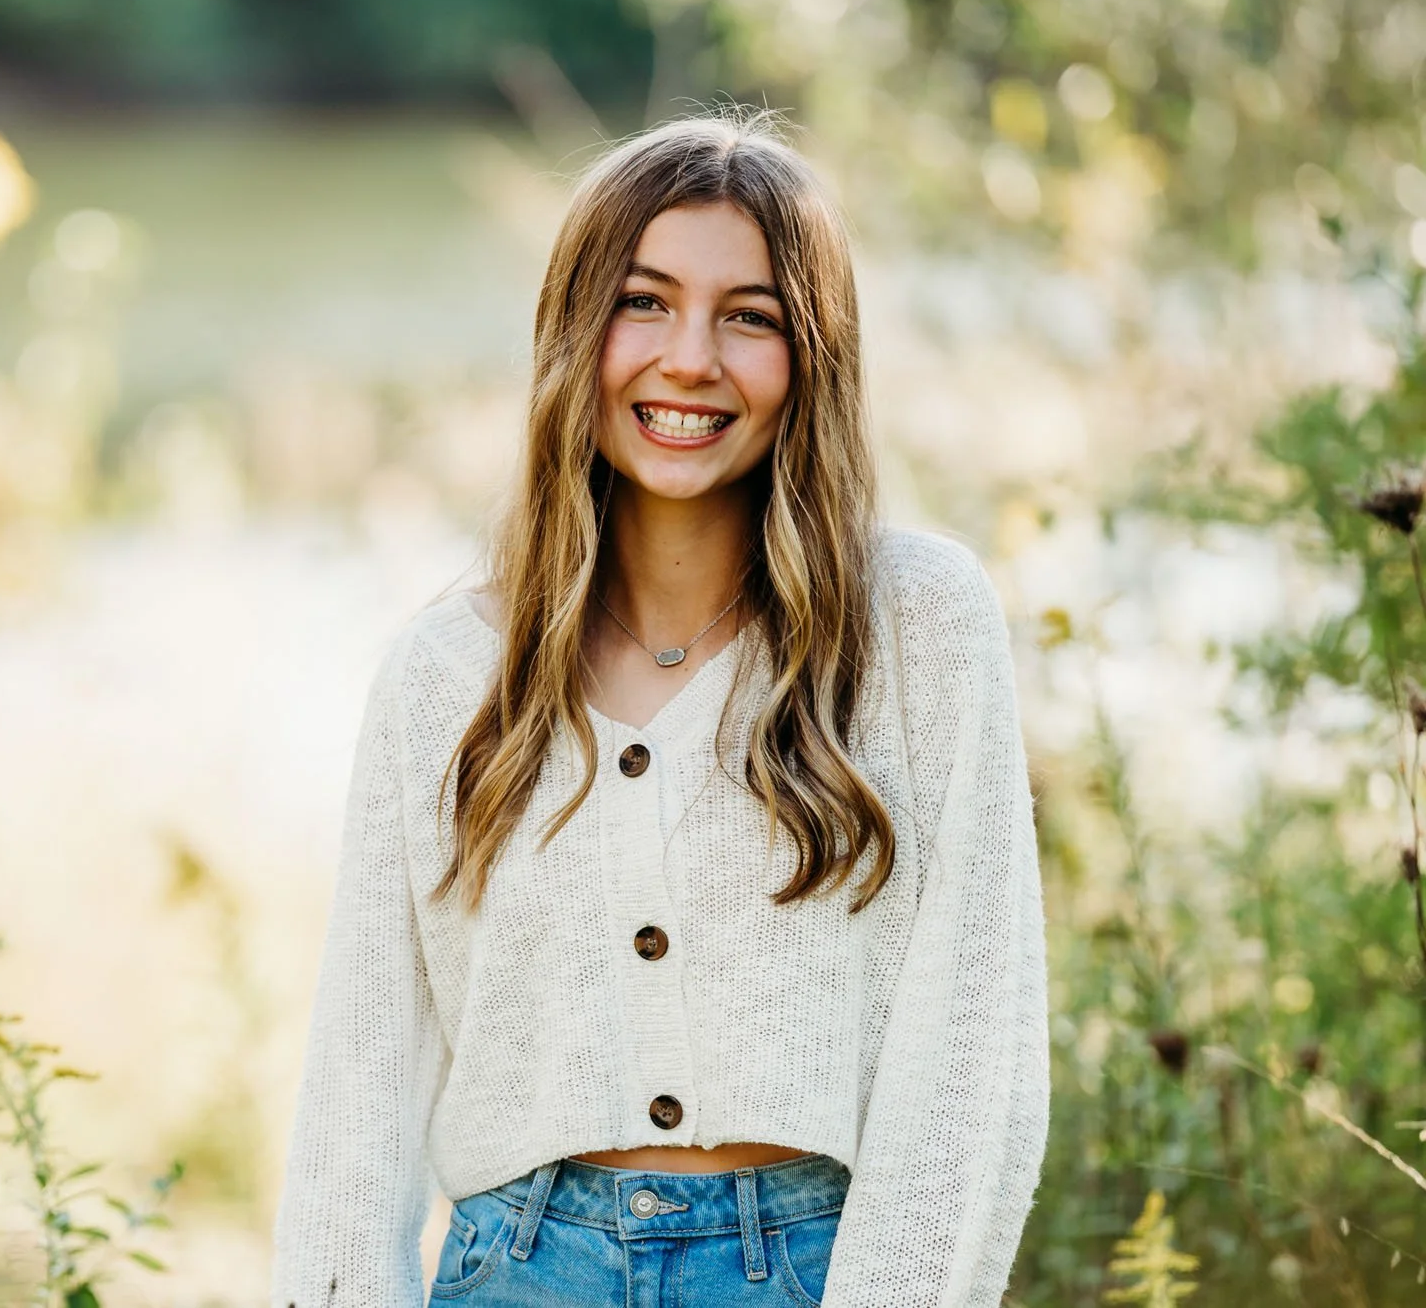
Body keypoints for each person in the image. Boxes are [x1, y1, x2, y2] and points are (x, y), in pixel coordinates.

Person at [270, 108, 1049, 1307]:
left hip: (810, 1264)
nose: (690, 358)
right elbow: (357, 1091)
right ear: (573, 332)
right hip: (515, 1266)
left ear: (812, 359)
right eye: (643, 301)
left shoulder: (920, 626)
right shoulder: (446, 672)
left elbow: (969, 1057)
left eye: (750, 317)